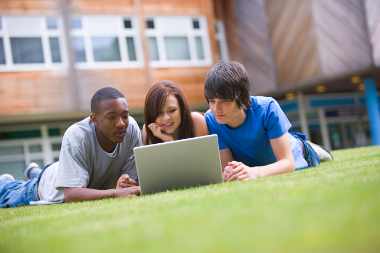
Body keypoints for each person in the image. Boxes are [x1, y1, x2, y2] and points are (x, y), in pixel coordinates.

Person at [0, 87, 141, 208]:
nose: (121, 123)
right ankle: (5, 181)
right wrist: (115, 192)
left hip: (67, 170)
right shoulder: (77, 135)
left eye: (125, 116)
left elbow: (132, 184)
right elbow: (71, 195)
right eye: (111, 118)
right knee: (10, 192)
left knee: (48, 172)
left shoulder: (132, 129)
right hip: (48, 184)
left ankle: (33, 171)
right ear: (95, 119)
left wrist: (126, 183)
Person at [203, 61, 333, 182]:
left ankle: (311, 147)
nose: (216, 109)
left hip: (300, 153)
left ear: (241, 98)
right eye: (211, 101)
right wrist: (228, 172)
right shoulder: (211, 119)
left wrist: (255, 172)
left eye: (224, 101)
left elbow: (288, 163)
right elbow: (228, 167)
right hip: (259, 162)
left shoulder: (268, 108)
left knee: (317, 154)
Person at [142, 80, 209, 145]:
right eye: (159, 113)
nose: (166, 118)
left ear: (182, 108)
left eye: (172, 110)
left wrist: (171, 142)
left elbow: (205, 156)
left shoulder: (196, 121)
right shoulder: (148, 131)